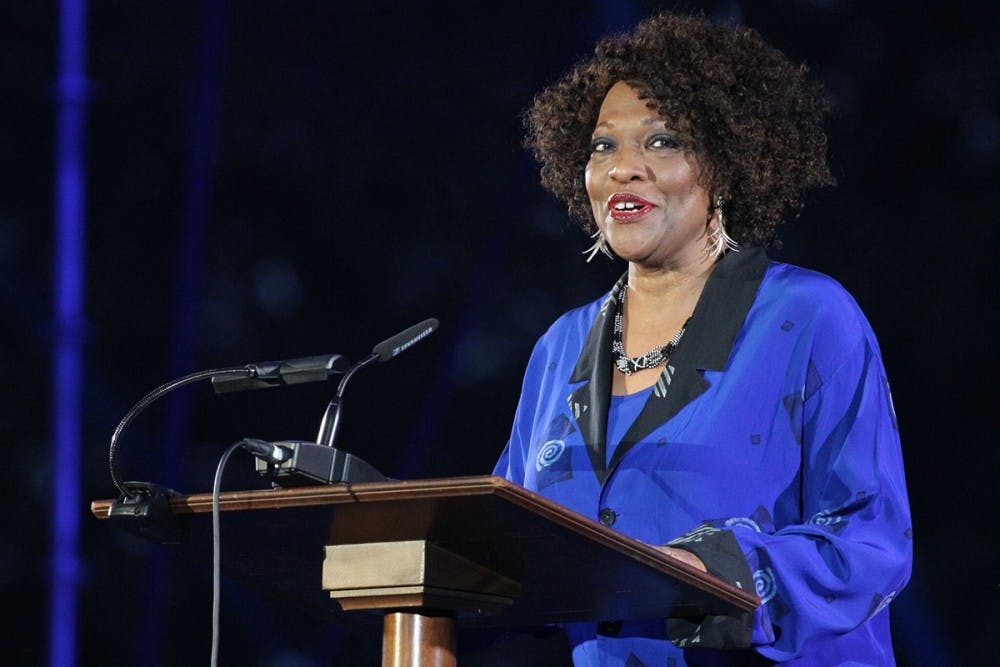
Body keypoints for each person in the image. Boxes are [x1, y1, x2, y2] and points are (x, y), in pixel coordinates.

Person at [493, 11, 912, 667]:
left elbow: (869, 542)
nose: (623, 167)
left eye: (661, 141)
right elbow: (502, 547)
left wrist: (707, 568)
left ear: (724, 161)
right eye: (603, 146)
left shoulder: (808, 317)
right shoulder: (559, 348)